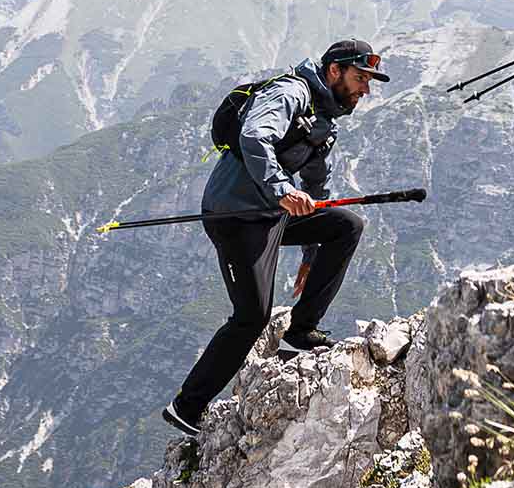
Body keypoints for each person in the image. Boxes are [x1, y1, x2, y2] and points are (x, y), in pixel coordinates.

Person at [162, 39, 390, 439]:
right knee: (252, 315)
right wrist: (283, 190)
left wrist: (310, 251)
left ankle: (302, 331)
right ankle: (187, 405)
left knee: (346, 225)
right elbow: (254, 137)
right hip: (235, 216)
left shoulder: (325, 118)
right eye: (360, 79)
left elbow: (317, 185)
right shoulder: (290, 93)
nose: (365, 90)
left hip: (271, 214)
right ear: (334, 71)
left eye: (368, 82)